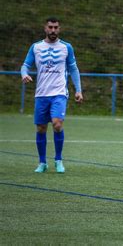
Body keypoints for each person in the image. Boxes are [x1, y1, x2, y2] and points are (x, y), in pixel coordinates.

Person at [20, 17, 83, 173]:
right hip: (41, 94)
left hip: (59, 93)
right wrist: (24, 74)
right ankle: (42, 163)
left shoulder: (66, 47)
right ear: (45, 28)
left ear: (59, 29)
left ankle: (58, 160)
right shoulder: (36, 47)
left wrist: (78, 90)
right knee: (41, 128)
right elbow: (25, 65)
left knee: (57, 124)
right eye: (50, 27)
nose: (53, 30)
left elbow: (74, 69)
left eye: (56, 27)